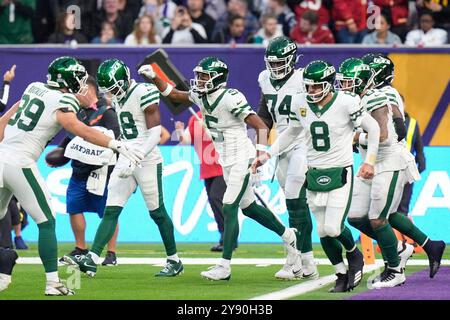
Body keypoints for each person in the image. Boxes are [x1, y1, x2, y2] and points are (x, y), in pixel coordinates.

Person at [139, 57, 300, 281]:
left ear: (217, 77)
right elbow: (174, 94)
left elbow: (260, 125)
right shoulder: (201, 95)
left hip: (241, 157)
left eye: (204, 76)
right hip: (225, 159)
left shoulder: (230, 97)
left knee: (229, 205)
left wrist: (261, 154)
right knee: (249, 207)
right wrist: (155, 77)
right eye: (199, 75)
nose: (200, 80)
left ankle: (224, 265)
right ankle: (289, 236)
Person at [0, 56, 142, 296]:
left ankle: (3, 267)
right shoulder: (64, 99)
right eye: (78, 77)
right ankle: (52, 282)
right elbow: (80, 130)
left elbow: (4, 121)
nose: (82, 82)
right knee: (47, 221)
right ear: (66, 78)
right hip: (20, 161)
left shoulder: (32, 87)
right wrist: (115, 144)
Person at [253, 60, 380, 292]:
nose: (311, 91)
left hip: (340, 170)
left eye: (316, 87)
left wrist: (369, 160)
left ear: (328, 84)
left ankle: (354, 255)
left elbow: (374, 128)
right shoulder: (301, 102)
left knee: (333, 228)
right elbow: (292, 131)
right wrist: (268, 154)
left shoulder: (346, 101)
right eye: (308, 87)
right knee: (322, 231)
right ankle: (341, 274)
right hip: (313, 172)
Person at [64, 59, 183, 278]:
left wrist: (137, 156)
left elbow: (155, 133)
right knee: (111, 209)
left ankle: (174, 260)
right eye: (107, 90)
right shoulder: (117, 98)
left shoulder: (144, 91)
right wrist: (127, 155)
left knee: (157, 212)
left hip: (146, 158)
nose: (111, 93)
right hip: (126, 154)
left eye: (113, 88)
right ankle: (92, 258)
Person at [362, 53, 446, 279]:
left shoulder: (385, 93)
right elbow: (396, 123)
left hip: (388, 160)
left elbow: (389, 131)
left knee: (378, 217)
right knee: (385, 214)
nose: (363, 76)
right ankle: (429, 245)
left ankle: (395, 263)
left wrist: (357, 138)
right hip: (384, 160)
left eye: (367, 72)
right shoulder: (381, 93)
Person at [257, 36, 317, 280]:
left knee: (295, 199)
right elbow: (264, 116)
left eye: (280, 62)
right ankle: (306, 261)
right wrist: (261, 147)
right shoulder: (265, 79)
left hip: (304, 142)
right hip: (281, 144)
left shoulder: (304, 79)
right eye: (272, 62)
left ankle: (297, 260)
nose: (276, 67)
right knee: (296, 203)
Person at [47, 76, 121, 266]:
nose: (75, 93)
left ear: (90, 90)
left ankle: (111, 253)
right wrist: (60, 157)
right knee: (74, 207)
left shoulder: (108, 113)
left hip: (101, 172)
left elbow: (116, 139)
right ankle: (80, 248)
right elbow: (69, 139)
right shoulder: (76, 113)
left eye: (79, 89)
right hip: (79, 170)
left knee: (108, 212)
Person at [175, 111, 228, 252]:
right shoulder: (195, 117)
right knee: (214, 201)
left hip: (222, 165)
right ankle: (225, 237)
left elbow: (225, 138)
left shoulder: (218, 113)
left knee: (217, 198)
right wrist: (179, 131)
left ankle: (228, 238)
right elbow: (185, 141)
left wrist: (211, 130)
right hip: (207, 168)